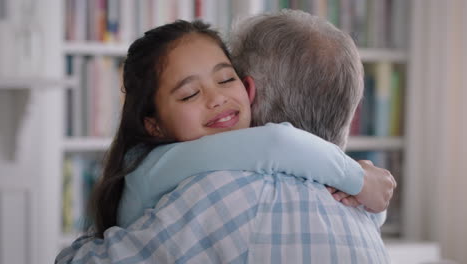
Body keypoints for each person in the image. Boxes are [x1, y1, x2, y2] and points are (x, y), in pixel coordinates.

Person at [56, 11, 394, 263]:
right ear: (154, 125)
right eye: (189, 94)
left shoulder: (228, 184)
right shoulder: (177, 169)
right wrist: (360, 181)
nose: (216, 98)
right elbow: (277, 144)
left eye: (226, 79)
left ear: (248, 88)